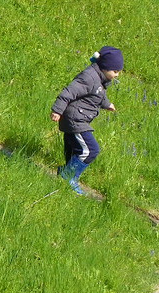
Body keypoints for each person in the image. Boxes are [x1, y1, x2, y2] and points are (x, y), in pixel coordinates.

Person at [50, 46, 123, 196]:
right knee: (90, 150)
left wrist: (107, 104)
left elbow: (98, 94)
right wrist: (57, 110)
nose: (117, 75)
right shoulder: (89, 77)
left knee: (76, 150)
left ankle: (66, 177)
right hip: (75, 119)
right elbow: (69, 91)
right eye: (115, 71)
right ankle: (68, 177)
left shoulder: (100, 79)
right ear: (105, 67)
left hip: (79, 118)